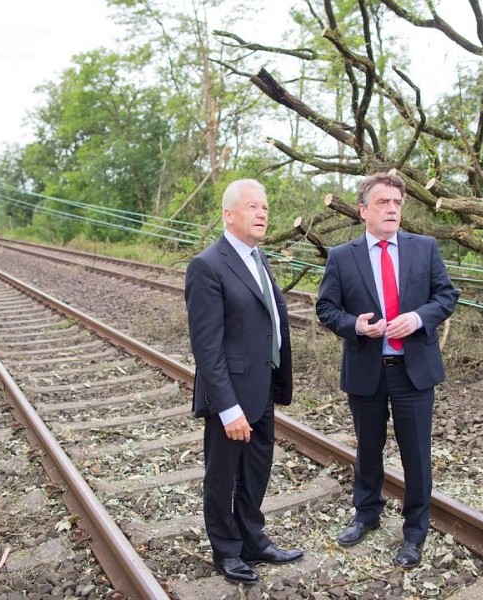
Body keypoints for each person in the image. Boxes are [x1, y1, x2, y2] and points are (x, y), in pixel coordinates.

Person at [315, 171, 459, 568]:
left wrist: (417, 318)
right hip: (367, 368)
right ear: (363, 211)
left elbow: (447, 296)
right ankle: (366, 514)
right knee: (368, 449)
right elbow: (325, 309)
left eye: (397, 203)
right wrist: (355, 325)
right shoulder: (342, 257)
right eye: (383, 203)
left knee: (416, 454)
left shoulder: (424, 248)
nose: (392, 209)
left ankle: (415, 533)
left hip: (413, 369)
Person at [184, 178, 303, 585]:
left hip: (262, 387)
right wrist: (228, 407)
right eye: (253, 207)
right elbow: (207, 347)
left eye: (265, 207)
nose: (263, 213)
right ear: (228, 215)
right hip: (231, 397)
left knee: (257, 469)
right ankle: (227, 550)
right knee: (223, 475)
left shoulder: (258, 257)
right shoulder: (208, 265)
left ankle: (253, 539)